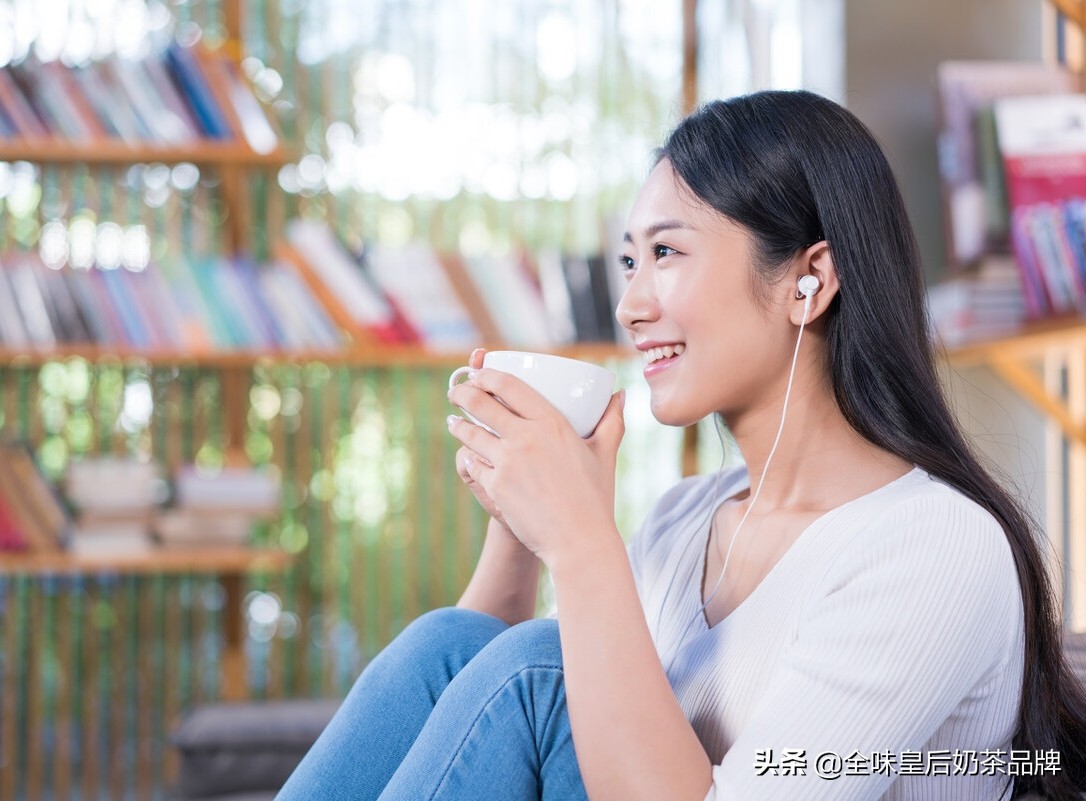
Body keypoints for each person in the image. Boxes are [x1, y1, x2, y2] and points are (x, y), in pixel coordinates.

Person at [276, 90, 1086, 801]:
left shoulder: (935, 545)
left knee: (539, 672)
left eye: (665, 252)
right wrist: (521, 528)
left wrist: (582, 539)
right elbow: (487, 715)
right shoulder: (683, 520)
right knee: (453, 644)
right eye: (630, 260)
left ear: (812, 278)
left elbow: (542, 693)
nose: (630, 304)